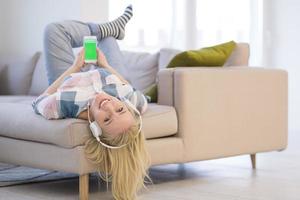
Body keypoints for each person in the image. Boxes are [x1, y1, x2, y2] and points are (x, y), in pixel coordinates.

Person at [32, 5, 150, 200]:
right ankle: (111, 29)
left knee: (53, 30)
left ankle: (109, 28)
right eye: (120, 109)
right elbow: (137, 94)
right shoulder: (131, 100)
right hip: (107, 73)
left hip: (72, 79)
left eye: (107, 120)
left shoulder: (65, 104)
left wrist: (74, 67)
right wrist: (106, 65)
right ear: (128, 108)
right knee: (108, 38)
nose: (108, 105)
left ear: (96, 129)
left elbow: (39, 102)